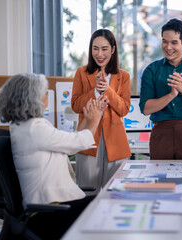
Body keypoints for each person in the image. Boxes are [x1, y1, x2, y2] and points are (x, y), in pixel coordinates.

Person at [0, 73, 108, 239]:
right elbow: (77, 142)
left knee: (102, 204)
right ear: (33, 98)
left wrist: (89, 120)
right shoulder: (35, 128)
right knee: (105, 204)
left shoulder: (24, 126)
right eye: (45, 91)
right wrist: (95, 119)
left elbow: (69, 146)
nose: (48, 94)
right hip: (49, 213)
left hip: (49, 209)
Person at [139, 18, 182, 160]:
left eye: (174, 42)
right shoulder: (151, 70)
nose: (168, 47)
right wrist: (171, 95)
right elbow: (145, 108)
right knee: (161, 180)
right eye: (165, 41)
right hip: (160, 134)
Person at [71, 29, 131, 192]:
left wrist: (108, 91)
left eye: (104, 49)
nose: (99, 53)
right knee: (88, 193)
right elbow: (75, 105)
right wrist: (95, 91)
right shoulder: (81, 73)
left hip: (116, 142)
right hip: (89, 139)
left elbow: (124, 109)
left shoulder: (123, 76)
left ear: (112, 49)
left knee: (116, 195)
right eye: (95, 48)